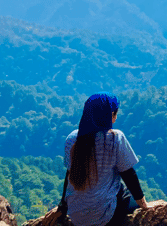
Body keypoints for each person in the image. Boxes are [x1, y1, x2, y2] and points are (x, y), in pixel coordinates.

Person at [64, 93, 153, 226]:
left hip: (76, 215)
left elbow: (69, 175)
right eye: (114, 114)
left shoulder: (72, 139)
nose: (115, 119)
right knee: (126, 192)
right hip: (104, 215)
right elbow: (129, 174)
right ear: (109, 115)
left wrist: (62, 207)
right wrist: (145, 206)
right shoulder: (115, 138)